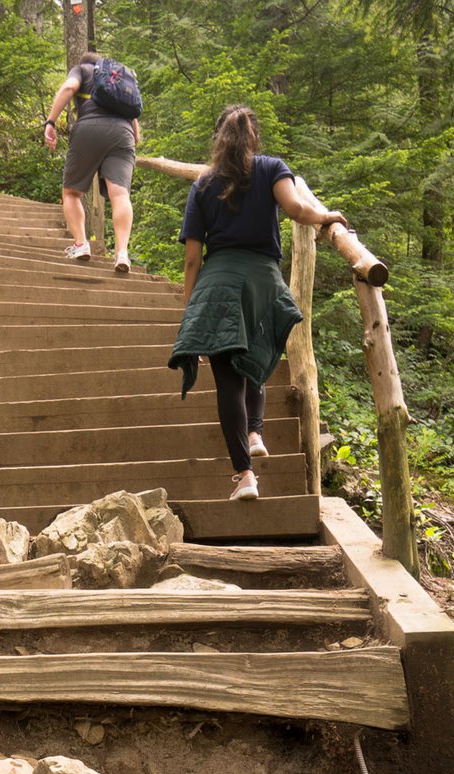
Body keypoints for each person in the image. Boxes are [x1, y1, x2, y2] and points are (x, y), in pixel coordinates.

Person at [169, 105, 347, 501]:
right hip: (262, 281)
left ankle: (246, 476)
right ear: (253, 138)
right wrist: (326, 215)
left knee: (227, 382)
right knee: (256, 356)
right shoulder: (270, 168)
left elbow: (193, 259)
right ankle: (255, 432)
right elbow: (298, 209)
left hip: (217, 286)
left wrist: (191, 313)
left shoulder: (203, 185)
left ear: (218, 140)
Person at [43, 52, 141, 273]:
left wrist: (50, 121)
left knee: (71, 192)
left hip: (89, 127)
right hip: (123, 132)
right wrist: (131, 136)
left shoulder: (83, 70)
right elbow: (134, 123)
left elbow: (69, 88)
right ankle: (122, 253)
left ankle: (81, 244)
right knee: (120, 195)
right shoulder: (117, 78)